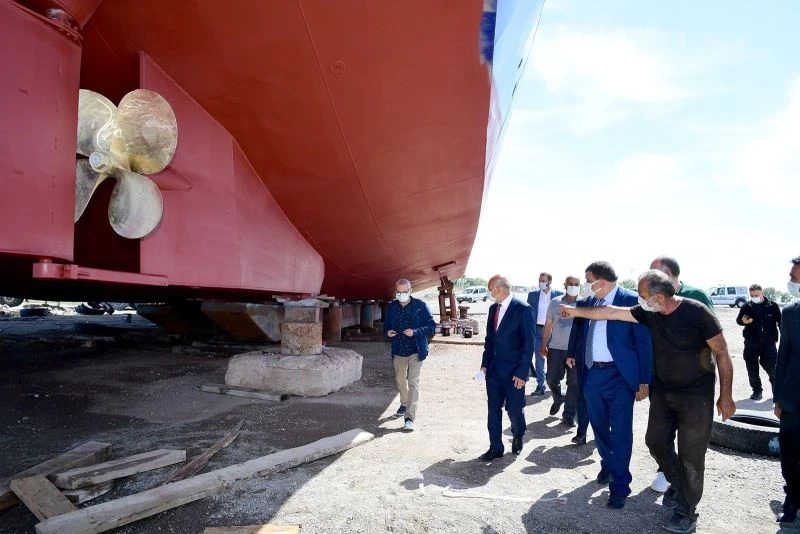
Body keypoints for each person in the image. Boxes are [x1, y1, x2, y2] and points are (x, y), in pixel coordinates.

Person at [562, 269, 735, 533]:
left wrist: (726, 395)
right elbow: (610, 312)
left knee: (691, 455)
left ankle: (686, 511)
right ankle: (681, 486)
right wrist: (574, 311)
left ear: (659, 296)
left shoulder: (696, 312)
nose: (639, 300)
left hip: (695, 397)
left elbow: (722, 352)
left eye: (643, 296)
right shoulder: (648, 312)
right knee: (655, 441)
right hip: (664, 393)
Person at [564, 261, 652, 509]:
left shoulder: (632, 300)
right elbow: (579, 331)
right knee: (599, 427)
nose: (586, 285)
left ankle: (620, 486)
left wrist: (644, 380)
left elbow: (644, 343)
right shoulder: (590, 302)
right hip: (593, 374)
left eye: (588, 280)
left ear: (601, 282)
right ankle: (609, 464)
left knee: (621, 431)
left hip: (620, 377)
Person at [648, 255, 714, 492]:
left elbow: (715, 342)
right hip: (663, 383)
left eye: (654, 272)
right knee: (658, 437)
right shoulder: (652, 303)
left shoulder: (697, 299)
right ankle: (671, 475)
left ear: (669, 275)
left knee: (690, 444)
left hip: (694, 389)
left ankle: (685, 496)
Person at [477, 274, 535, 460]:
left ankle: (518, 434)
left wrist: (521, 372)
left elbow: (528, 345)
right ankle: (495, 447)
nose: (491, 294)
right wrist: (485, 365)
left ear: (499, 289)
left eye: (491, 290)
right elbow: (489, 340)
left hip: (513, 373)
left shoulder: (523, 309)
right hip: (493, 371)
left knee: (515, 409)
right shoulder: (493, 309)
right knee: (493, 409)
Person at [540, 275, 589, 442]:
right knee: (551, 377)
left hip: (575, 351)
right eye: (571, 284)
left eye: (577, 284)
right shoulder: (555, 302)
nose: (574, 287)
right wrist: (543, 345)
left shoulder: (584, 304)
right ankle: (557, 397)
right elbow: (548, 324)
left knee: (574, 383)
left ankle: (568, 415)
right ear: (565, 285)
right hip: (555, 348)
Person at [383, 278, 436, 431]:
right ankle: (404, 403)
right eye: (398, 292)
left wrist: (415, 332)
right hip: (399, 349)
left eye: (404, 292)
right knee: (400, 380)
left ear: (410, 291)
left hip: (416, 350)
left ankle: (409, 417)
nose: (401, 295)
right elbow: (386, 327)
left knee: (413, 382)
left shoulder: (420, 306)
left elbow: (431, 326)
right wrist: (388, 332)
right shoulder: (392, 307)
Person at [774, 256, 800, 523]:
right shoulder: (791, 312)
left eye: (794, 277)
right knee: (790, 452)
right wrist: (779, 397)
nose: (791, 281)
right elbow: (784, 356)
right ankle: (792, 498)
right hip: (794, 397)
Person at [737, 284, 781, 401]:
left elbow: (781, 323)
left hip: (768, 342)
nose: (754, 297)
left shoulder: (773, 306)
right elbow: (739, 320)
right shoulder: (747, 306)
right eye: (752, 295)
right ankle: (757, 391)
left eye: (756, 295)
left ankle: (777, 391)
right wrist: (743, 322)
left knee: (773, 368)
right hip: (751, 343)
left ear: (762, 293)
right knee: (752, 368)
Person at [527, 272, 563, 396]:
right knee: (539, 359)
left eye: (543, 281)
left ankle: (555, 386)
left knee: (554, 359)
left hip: (554, 331)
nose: (541, 283)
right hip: (537, 331)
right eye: (540, 280)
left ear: (550, 282)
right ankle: (540, 386)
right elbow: (528, 314)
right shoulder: (532, 295)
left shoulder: (558, 295)